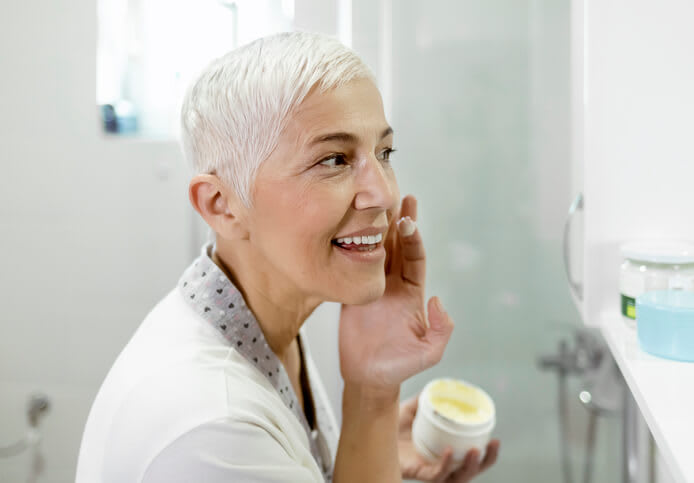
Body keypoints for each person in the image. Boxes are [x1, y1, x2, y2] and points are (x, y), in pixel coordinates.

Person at [76, 31, 499, 483]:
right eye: (334, 159)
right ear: (221, 204)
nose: (384, 193)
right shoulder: (215, 432)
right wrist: (370, 408)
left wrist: (372, 401)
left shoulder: (264, 331)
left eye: (384, 152)